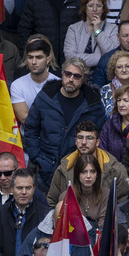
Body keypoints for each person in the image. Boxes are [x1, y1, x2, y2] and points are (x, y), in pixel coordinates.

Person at [23, 56, 105, 186]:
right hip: (45, 166)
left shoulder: (93, 104)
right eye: (68, 74)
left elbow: (100, 136)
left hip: (79, 168)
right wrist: (37, 158)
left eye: (76, 76)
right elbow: (30, 129)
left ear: (83, 79)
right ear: (62, 74)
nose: (71, 79)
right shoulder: (46, 97)